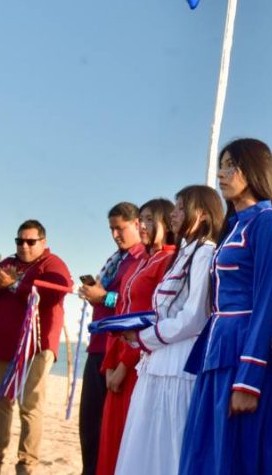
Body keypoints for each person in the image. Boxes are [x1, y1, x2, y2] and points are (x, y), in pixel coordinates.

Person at [179, 138, 272, 474]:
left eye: (230, 165)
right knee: (208, 454)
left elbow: (267, 304)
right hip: (219, 349)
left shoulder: (269, 222)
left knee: (238, 456)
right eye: (221, 166)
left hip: (245, 353)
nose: (221, 174)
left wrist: (249, 379)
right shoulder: (234, 226)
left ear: (254, 170)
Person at [115, 185, 225, 475]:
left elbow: (194, 317)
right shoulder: (185, 253)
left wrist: (144, 337)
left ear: (202, 214)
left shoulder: (205, 252)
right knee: (147, 443)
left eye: (181, 208)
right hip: (160, 359)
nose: (174, 214)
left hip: (178, 364)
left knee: (169, 445)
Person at [0, 220, 72, 475]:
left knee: (30, 406)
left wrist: (15, 285)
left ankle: (26, 465)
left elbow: (55, 293)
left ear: (43, 242)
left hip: (35, 347)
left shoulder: (52, 263)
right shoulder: (7, 264)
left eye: (30, 241)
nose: (24, 246)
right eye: (19, 241)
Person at [96, 199, 177, 475]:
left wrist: (124, 364)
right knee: (109, 440)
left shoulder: (169, 260)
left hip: (140, 361)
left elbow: (154, 316)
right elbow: (121, 311)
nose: (143, 225)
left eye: (151, 220)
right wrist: (110, 363)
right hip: (118, 356)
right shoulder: (139, 261)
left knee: (131, 444)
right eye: (142, 219)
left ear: (167, 222)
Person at [76, 202, 147, 475]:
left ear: (137, 224)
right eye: (111, 229)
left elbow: (137, 302)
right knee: (89, 424)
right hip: (98, 344)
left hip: (120, 348)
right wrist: (95, 294)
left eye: (120, 228)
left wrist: (103, 297)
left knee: (110, 428)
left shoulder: (143, 258)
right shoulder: (116, 259)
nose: (115, 234)